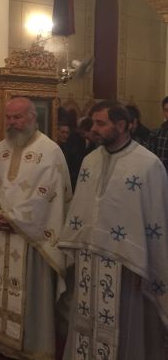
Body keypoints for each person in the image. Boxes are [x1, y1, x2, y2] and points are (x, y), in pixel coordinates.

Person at [59, 101, 168, 360]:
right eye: (93, 123)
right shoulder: (90, 161)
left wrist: (148, 261)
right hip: (89, 258)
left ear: (121, 125)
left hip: (127, 263)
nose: (93, 129)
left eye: (101, 123)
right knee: (85, 320)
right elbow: (82, 207)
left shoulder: (148, 165)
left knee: (124, 326)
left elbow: (156, 219)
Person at [0, 97, 71, 360]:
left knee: (32, 293)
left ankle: (33, 346)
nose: (11, 122)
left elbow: (47, 194)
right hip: (1, 232)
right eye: (8, 117)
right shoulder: (1, 149)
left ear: (33, 117)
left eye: (17, 117)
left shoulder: (50, 151)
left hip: (32, 239)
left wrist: (14, 219)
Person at [149, 96, 168, 172]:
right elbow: (150, 160)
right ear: (163, 112)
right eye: (167, 110)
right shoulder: (156, 134)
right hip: (160, 175)